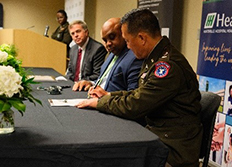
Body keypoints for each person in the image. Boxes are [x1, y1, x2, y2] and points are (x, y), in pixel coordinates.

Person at [76, 9, 203, 167]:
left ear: (142, 38)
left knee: (107, 155)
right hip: (159, 134)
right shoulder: (154, 57)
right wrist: (108, 95)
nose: (128, 47)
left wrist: (99, 103)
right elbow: (139, 94)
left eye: (128, 41)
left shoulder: (167, 66)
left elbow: (136, 105)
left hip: (173, 148)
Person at [72, 18, 143, 92]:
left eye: (112, 37)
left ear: (123, 34)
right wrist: (91, 83)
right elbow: (104, 80)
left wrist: (105, 97)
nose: (108, 43)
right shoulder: (112, 54)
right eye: (105, 40)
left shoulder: (134, 57)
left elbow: (132, 96)